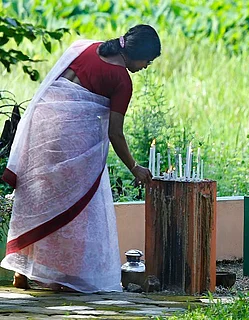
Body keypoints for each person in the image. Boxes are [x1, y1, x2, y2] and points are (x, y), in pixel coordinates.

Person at [0, 24, 160, 293]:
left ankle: (22, 273)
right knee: (74, 211)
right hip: (73, 147)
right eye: (148, 61)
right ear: (137, 54)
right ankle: (61, 278)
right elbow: (115, 133)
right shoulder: (122, 81)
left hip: (43, 131)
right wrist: (134, 167)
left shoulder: (84, 48)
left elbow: (56, 91)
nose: (146, 67)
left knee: (38, 200)